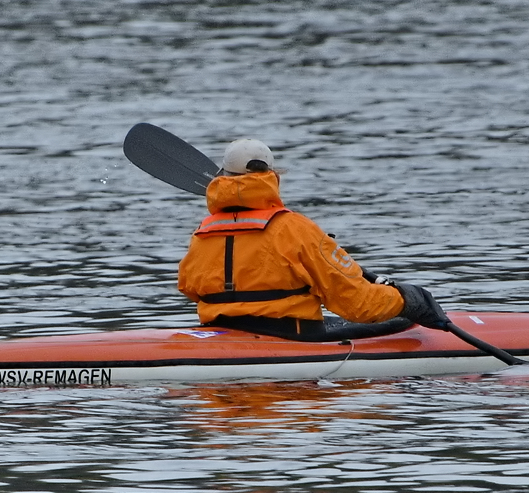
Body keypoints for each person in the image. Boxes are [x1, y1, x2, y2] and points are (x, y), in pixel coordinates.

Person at [177, 138, 448, 341]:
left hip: (223, 333)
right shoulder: (296, 229)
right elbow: (357, 304)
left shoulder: (203, 231)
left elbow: (188, 287)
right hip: (291, 338)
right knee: (397, 322)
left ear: (223, 177)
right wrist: (407, 300)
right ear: (272, 177)